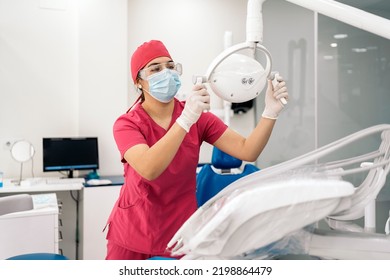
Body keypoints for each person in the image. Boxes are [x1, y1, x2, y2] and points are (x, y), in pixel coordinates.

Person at [105, 40, 288, 260]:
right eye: (155, 69)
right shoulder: (127, 124)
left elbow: (247, 150)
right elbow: (149, 168)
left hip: (180, 232)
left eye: (170, 66)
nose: (166, 73)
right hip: (133, 232)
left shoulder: (198, 117)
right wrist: (185, 120)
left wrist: (270, 112)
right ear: (139, 82)